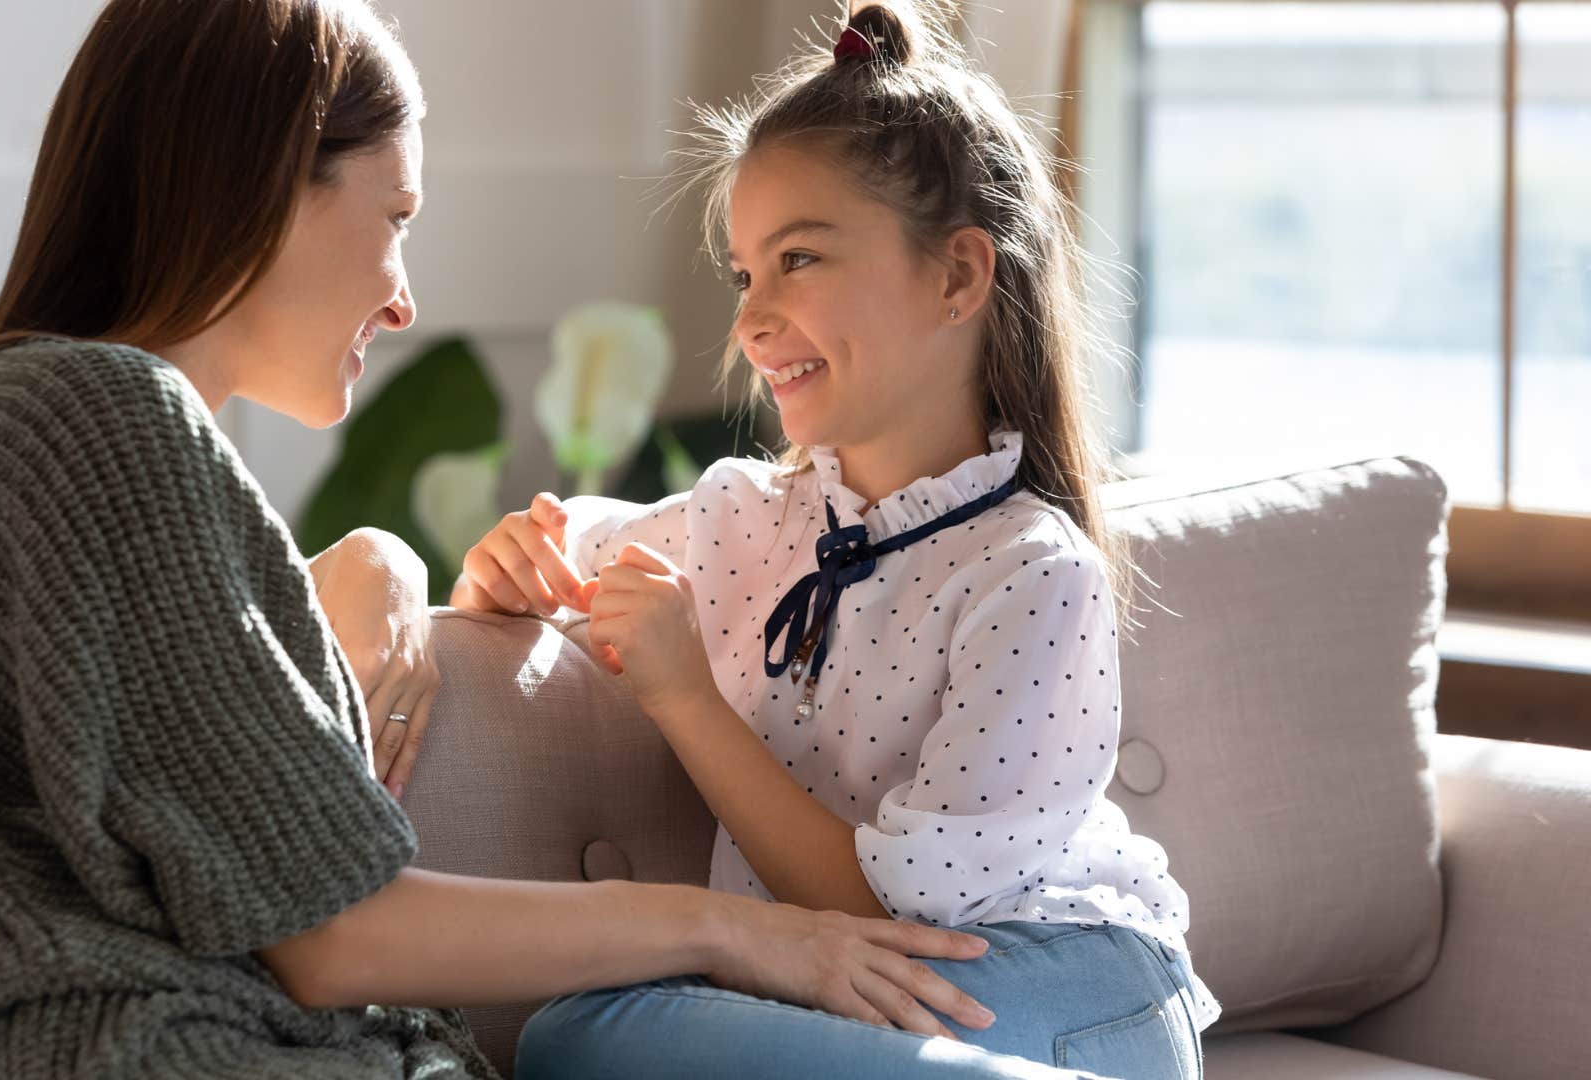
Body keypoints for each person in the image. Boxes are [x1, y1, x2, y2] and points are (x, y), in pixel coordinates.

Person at [0, 2, 1004, 1077]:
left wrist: (372, 561)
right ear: (265, 182)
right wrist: (731, 928)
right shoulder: (97, 413)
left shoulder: (34, 429)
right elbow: (335, 934)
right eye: (396, 213)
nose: (406, 295)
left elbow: (146, 735)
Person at [455, 3, 1222, 1076]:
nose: (752, 320)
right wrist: (501, 565)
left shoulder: (1033, 575)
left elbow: (886, 912)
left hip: (1071, 983)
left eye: (800, 259)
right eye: (744, 275)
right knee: (578, 1040)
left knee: (603, 1037)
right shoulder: (739, 521)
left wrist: (685, 693)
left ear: (958, 276)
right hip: (847, 994)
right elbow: (571, 549)